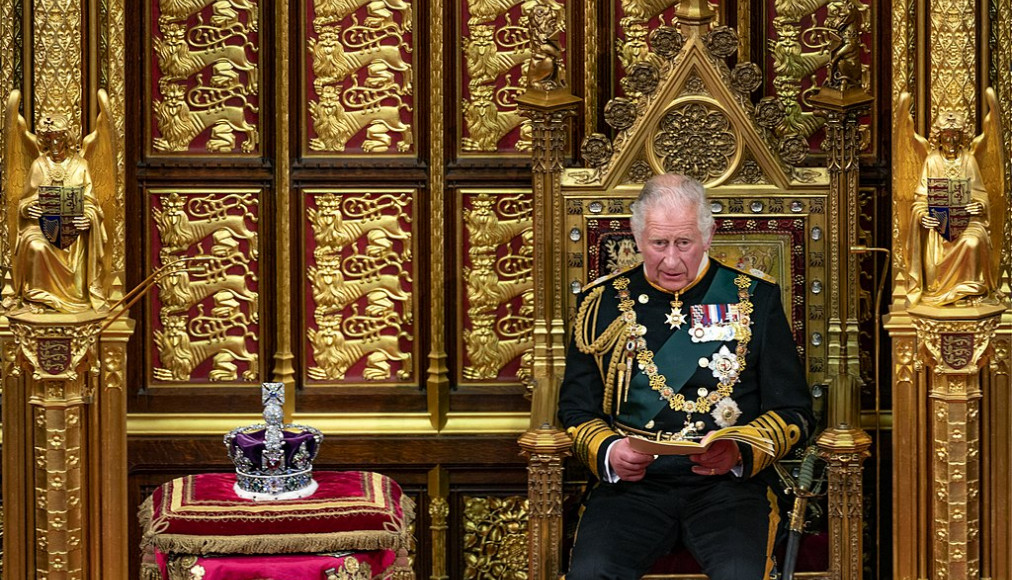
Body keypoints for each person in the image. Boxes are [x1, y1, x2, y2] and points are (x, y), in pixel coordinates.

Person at [559, 174, 814, 579]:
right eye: (659, 244)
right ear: (638, 237)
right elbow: (575, 408)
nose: (672, 261)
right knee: (591, 572)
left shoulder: (754, 298)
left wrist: (738, 452)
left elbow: (794, 411)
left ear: (708, 236)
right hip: (633, 489)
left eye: (684, 243)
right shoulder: (602, 303)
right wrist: (610, 452)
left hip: (728, 489)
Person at [12, 114, 109, 312]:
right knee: (34, 245)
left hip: (72, 231)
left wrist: (88, 218)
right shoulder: (39, 165)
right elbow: (25, 199)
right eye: (49, 139)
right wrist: (27, 209)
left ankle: (76, 295)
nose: (54, 143)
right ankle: (38, 298)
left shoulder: (81, 165)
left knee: (76, 241)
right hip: (42, 228)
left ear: (66, 138)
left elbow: (90, 202)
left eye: (58, 138)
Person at [904, 112, 995, 306]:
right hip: (940, 225)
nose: (951, 140)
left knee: (973, 241)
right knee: (937, 247)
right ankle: (941, 290)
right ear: (939, 136)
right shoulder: (932, 161)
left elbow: (981, 195)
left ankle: (968, 292)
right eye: (947, 135)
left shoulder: (969, 160)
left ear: (962, 137)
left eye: (955, 135)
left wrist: (977, 205)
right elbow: (920, 199)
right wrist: (922, 216)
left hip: (968, 222)